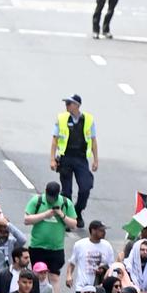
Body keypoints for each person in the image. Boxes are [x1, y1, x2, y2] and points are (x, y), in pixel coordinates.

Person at [23, 181, 76, 293]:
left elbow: (73, 224)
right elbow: (27, 220)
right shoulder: (38, 201)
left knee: (54, 276)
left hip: (56, 247)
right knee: (38, 276)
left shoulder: (65, 203)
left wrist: (61, 215)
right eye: (49, 196)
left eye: (53, 197)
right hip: (38, 246)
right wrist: (46, 214)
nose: (51, 200)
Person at [49, 94, 97, 226]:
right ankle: (68, 218)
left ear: (77, 105)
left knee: (85, 187)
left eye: (69, 103)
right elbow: (55, 139)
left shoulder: (88, 119)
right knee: (66, 191)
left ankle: (78, 210)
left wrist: (95, 160)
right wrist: (52, 159)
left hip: (81, 158)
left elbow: (93, 141)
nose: (67, 106)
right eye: (66, 103)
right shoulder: (62, 118)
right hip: (66, 158)